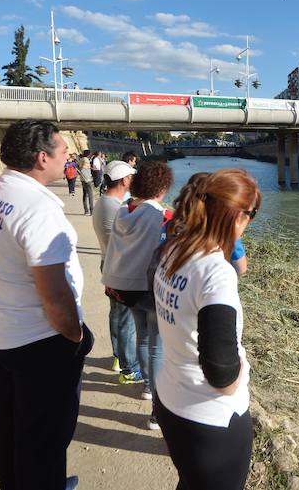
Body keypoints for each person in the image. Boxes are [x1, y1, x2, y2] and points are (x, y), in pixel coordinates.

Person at [0, 119, 92, 490]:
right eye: (64, 150)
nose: (69, 155)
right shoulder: (38, 209)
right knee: (44, 439)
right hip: (38, 343)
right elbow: (52, 293)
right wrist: (75, 336)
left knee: (6, 429)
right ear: (41, 157)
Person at [154, 168, 260, 489]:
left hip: (171, 401)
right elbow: (220, 372)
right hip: (211, 419)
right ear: (239, 216)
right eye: (252, 214)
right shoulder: (217, 273)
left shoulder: (175, 249)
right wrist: (242, 371)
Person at [102, 161, 174, 430]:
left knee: (143, 338)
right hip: (149, 287)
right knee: (157, 345)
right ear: (163, 187)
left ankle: (146, 385)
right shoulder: (161, 215)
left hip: (124, 286)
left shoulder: (124, 210)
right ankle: (157, 410)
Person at [92, 160, 140, 382]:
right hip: (121, 268)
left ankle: (119, 357)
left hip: (108, 263)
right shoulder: (118, 207)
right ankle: (129, 368)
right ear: (124, 180)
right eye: (131, 176)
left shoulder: (104, 201)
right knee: (127, 320)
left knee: (117, 315)